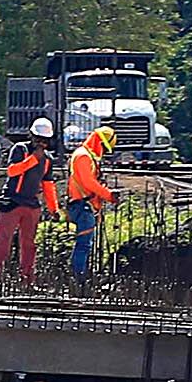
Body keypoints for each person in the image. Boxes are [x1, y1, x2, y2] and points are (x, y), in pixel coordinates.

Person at [0, 117, 60, 278]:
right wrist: (33, 159)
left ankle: (27, 277)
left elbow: (48, 184)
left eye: (45, 140)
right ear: (31, 136)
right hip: (12, 201)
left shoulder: (48, 159)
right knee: (3, 239)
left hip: (31, 205)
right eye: (38, 139)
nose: (41, 143)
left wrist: (53, 208)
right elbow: (12, 171)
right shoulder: (20, 149)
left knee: (29, 243)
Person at [62, 120, 118, 280]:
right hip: (81, 206)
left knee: (86, 245)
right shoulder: (82, 157)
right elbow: (88, 182)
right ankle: (77, 278)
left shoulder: (88, 157)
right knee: (83, 244)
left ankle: (82, 275)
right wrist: (108, 195)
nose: (104, 153)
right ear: (99, 142)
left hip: (87, 206)